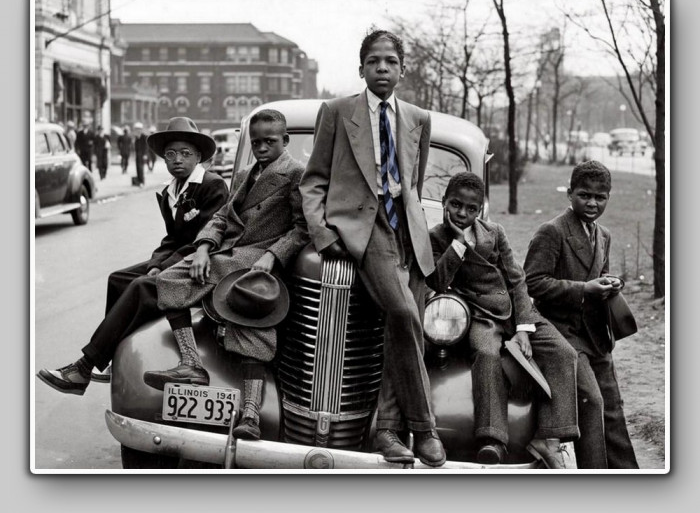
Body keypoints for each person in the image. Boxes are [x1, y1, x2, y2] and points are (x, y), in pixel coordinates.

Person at [299, 29, 445, 467]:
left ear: (403, 69)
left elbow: (414, 184)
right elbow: (313, 180)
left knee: (400, 329)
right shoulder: (337, 111)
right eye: (373, 61)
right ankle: (425, 428)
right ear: (361, 68)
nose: (382, 68)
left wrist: (412, 224)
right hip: (365, 227)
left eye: (391, 61)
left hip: (409, 233)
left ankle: (387, 431)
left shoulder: (418, 117)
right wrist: (324, 234)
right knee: (404, 314)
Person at [143, 109, 308, 437]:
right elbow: (222, 216)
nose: (262, 148)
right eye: (256, 142)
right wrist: (204, 247)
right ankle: (191, 363)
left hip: (259, 259)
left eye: (269, 141)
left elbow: (302, 228)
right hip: (227, 254)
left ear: (285, 141)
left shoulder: (295, 173)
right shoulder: (246, 173)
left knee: (250, 322)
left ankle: (251, 416)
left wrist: (273, 256)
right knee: (169, 279)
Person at [37, 118, 229, 395]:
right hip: (177, 258)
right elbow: (172, 239)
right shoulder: (171, 189)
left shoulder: (212, 185)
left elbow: (205, 240)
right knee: (117, 279)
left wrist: (161, 267)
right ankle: (112, 357)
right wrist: (156, 263)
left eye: (185, 153)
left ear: (198, 157)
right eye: (170, 154)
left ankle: (83, 368)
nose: (177, 160)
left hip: (201, 264)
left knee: (141, 287)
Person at [428, 172, 579, 468]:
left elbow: (517, 280)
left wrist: (523, 327)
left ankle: (549, 437)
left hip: (514, 312)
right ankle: (492, 438)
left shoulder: (494, 232)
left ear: (480, 209)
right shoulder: (436, 238)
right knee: (486, 354)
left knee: (564, 353)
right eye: (456, 205)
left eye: (471, 208)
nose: (462, 213)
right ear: (444, 202)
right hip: (479, 315)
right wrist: (458, 244)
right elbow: (437, 281)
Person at [523, 160, 639, 469]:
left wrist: (611, 283)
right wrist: (583, 289)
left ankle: (627, 475)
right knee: (592, 401)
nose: (592, 203)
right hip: (561, 333)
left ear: (608, 197)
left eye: (600, 197)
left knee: (612, 406)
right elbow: (532, 282)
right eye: (584, 195)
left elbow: (599, 273)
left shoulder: (603, 235)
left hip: (594, 334)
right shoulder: (552, 232)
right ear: (570, 193)